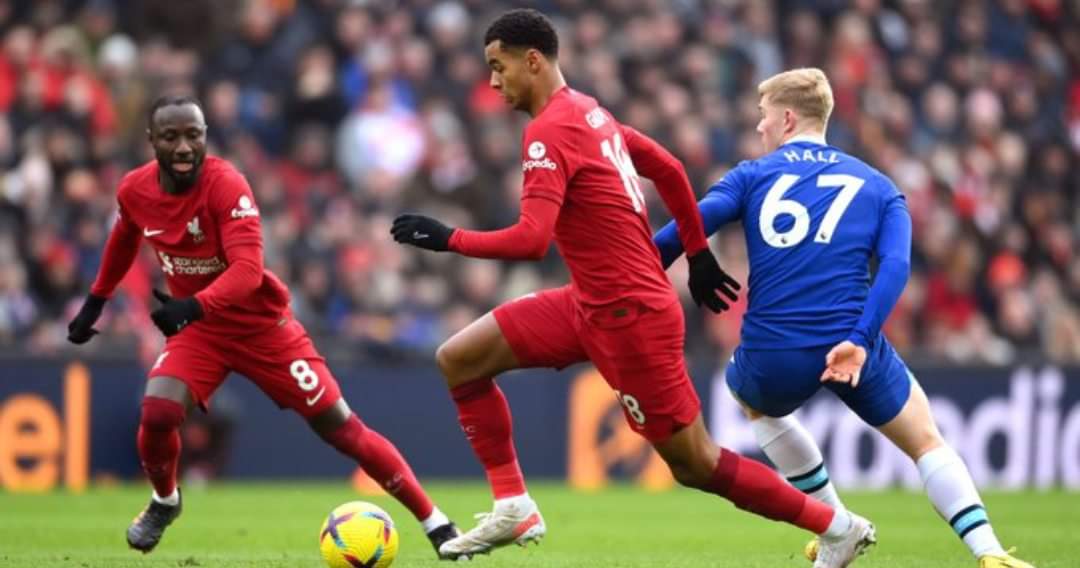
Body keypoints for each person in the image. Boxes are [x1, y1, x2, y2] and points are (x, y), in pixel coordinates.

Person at [391, 10, 874, 567]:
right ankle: (513, 505)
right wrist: (696, 253)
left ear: (533, 61)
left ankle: (837, 526)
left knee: (696, 463)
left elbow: (532, 239)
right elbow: (669, 167)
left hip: (630, 318)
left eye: (499, 67)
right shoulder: (590, 112)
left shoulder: (550, 130)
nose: (494, 82)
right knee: (460, 359)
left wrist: (449, 239)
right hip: (588, 303)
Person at [653, 68, 1034, 568]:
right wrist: (859, 338)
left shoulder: (750, 175)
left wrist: (636, 275)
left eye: (763, 116)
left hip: (774, 350)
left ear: (788, 119)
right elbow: (895, 268)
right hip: (851, 341)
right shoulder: (879, 186)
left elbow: (675, 235)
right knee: (925, 440)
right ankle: (989, 553)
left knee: (750, 399)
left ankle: (836, 527)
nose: (759, 126)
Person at [66, 95, 460, 558]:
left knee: (341, 427)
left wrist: (193, 305)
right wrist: (96, 301)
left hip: (262, 328)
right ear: (152, 140)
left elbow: (248, 271)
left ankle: (436, 522)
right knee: (157, 412)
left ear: (206, 136)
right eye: (171, 136)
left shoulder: (226, 185)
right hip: (201, 332)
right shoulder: (134, 189)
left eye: (193, 135)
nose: (184, 146)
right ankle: (165, 500)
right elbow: (124, 237)